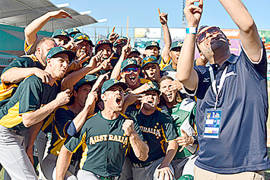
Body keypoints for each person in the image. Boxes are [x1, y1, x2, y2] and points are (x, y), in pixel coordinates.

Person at [176, 0, 269, 179]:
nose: (211, 35)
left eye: (216, 31)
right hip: (205, 168)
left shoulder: (248, 65)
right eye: (203, 37)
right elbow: (182, 76)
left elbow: (248, 26)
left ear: (226, 39)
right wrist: (191, 27)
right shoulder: (202, 74)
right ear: (200, 52)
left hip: (244, 170)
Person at [0, 47, 74, 180]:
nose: (65, 65)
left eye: (67, 62)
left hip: (18, 135)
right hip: (4, 132)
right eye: (61, 60)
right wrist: (57, 102)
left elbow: (38, 119)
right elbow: (28, 119)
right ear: (49, 62)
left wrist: (29, 147)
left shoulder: (53, 86)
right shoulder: (34, 81)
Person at [56, 79, 149, 180]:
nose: (118, 92)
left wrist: (133, 135)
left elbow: (143, 156)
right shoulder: (89, 122)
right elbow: (66, 150)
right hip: (88, 174)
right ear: (103, 97)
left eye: (121, 90)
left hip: (114, 176)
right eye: (113, 90)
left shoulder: (129, 123)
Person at [40, 75, 100, 180]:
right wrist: (87, 107)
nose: (88, 94)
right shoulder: (62, 111)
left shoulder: (93, 114)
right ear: (75, 93)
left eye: (90, 91)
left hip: (77, 163)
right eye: (85, 90)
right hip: (55, 160)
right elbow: (70, 130)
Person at [124, 82, 178, 180]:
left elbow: (173, 142)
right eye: (147, 94)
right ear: (140, 99)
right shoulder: (132, 114)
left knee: (165, 176)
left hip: (157, 163)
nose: (151, 97)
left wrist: (165, 164)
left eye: (154, 95)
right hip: (134, 166)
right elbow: (121, 103)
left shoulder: (163, 117)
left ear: (158, 101)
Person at [159, 76, 197, 179]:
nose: (168, 89)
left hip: (189, 156)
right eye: (164, 87)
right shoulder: (157, 110)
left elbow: (204, 131)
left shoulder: (189, 105)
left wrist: (192, 139)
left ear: (176, 88)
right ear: (159, 91)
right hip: (165, 158)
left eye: (170, 86)